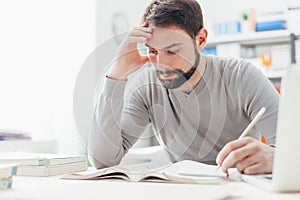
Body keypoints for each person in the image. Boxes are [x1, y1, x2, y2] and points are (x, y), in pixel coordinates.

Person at [88, 0, 279, 175]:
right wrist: (116, 74)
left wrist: (275, 157)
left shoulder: (242, 76)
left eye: (172, 51)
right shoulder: (147, 87)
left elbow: (293, 149)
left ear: (201, 40)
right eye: (153, 51)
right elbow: (103, 161)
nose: (161, 64)